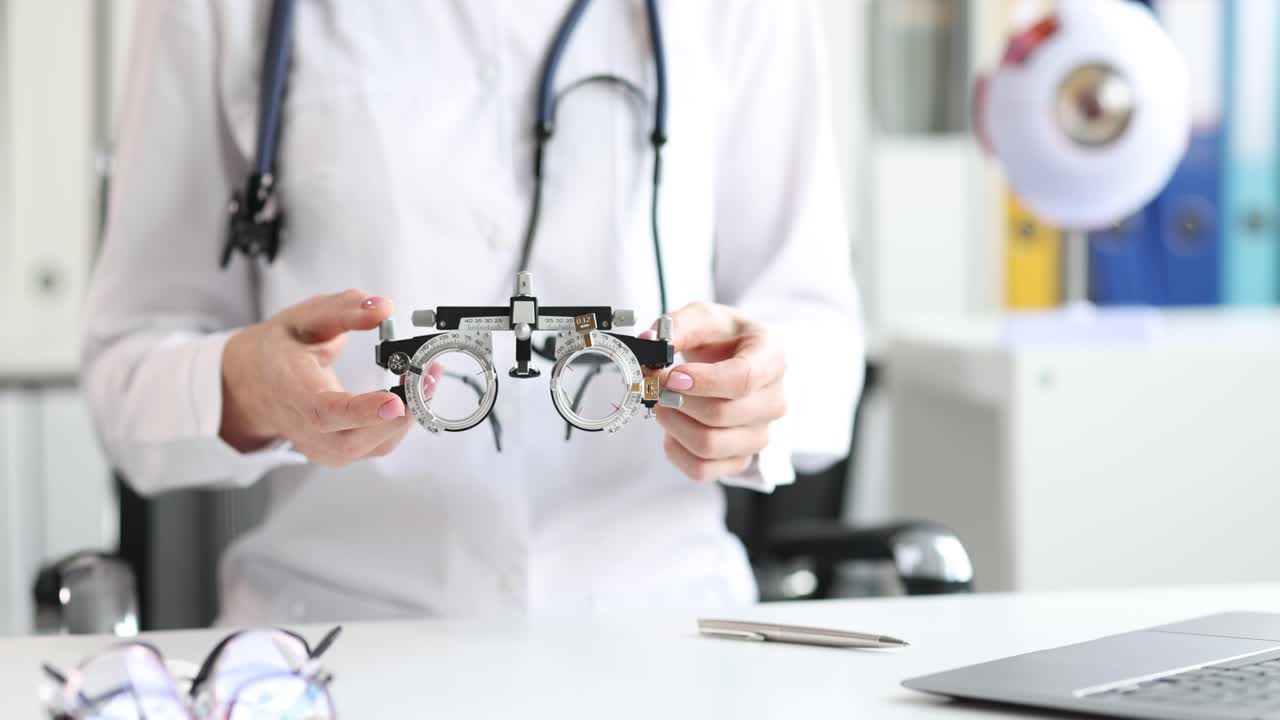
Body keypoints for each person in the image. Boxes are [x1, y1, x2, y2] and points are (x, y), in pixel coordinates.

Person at [83, 0, 863, 624]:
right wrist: (248, 388)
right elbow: (126, 369)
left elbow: (823, 345)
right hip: (340, 638)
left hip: (665, 630)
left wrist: (761, 391)